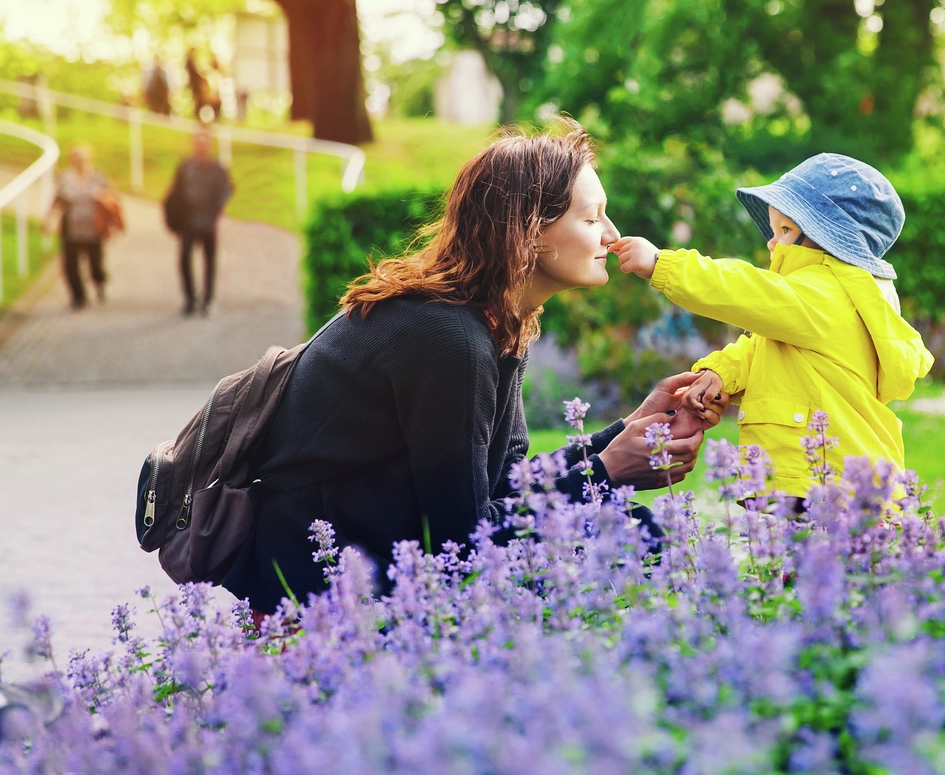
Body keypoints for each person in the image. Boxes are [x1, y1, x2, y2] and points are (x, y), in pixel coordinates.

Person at [222, 122, 726, 616]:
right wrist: (608, 471)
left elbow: (505, 481)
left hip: (385, 547)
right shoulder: (446, 335)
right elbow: (463, 540)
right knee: (628, 537)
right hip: (324, 576)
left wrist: (625, 433)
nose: (612, 236)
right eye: (592, 219)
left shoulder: (494, 321)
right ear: (530, 232)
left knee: (628, 527)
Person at [611, 153, 934, 512]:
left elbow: (741, 290)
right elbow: (764, 349)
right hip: (830, 475)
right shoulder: (815, 300)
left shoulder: (828, 293)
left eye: (785, 230)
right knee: (808, 567)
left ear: (826, 239)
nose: (771, 243)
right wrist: (722, 373)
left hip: (832, 476)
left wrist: (662, 264)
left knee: (830, 565)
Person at [164, 129, 233, 316]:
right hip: (188, 222)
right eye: (198, 143)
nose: (201, 147)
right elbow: (174, 193)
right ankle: (189, 299)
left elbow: (226, 191)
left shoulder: (218, 169)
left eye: (204, 143)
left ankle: (208, 300)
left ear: (210, 145)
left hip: (208, 222)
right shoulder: (185, 167)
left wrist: (216, 212)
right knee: (184, 260)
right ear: (193, 145)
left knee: (209, 262)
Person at [45, 145, 117, 310]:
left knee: (95, 265)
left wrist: (104, 201)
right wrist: (49, 218)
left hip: (93, 228)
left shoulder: (98, 178)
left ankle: (99, 283)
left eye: (82, 159)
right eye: (76, 159)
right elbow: (57, 199)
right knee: (70, 265)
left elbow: (112, 200)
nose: (79, 162)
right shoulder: (65, 178)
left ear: (90, 159)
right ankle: (78, 297)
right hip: (71, 227)